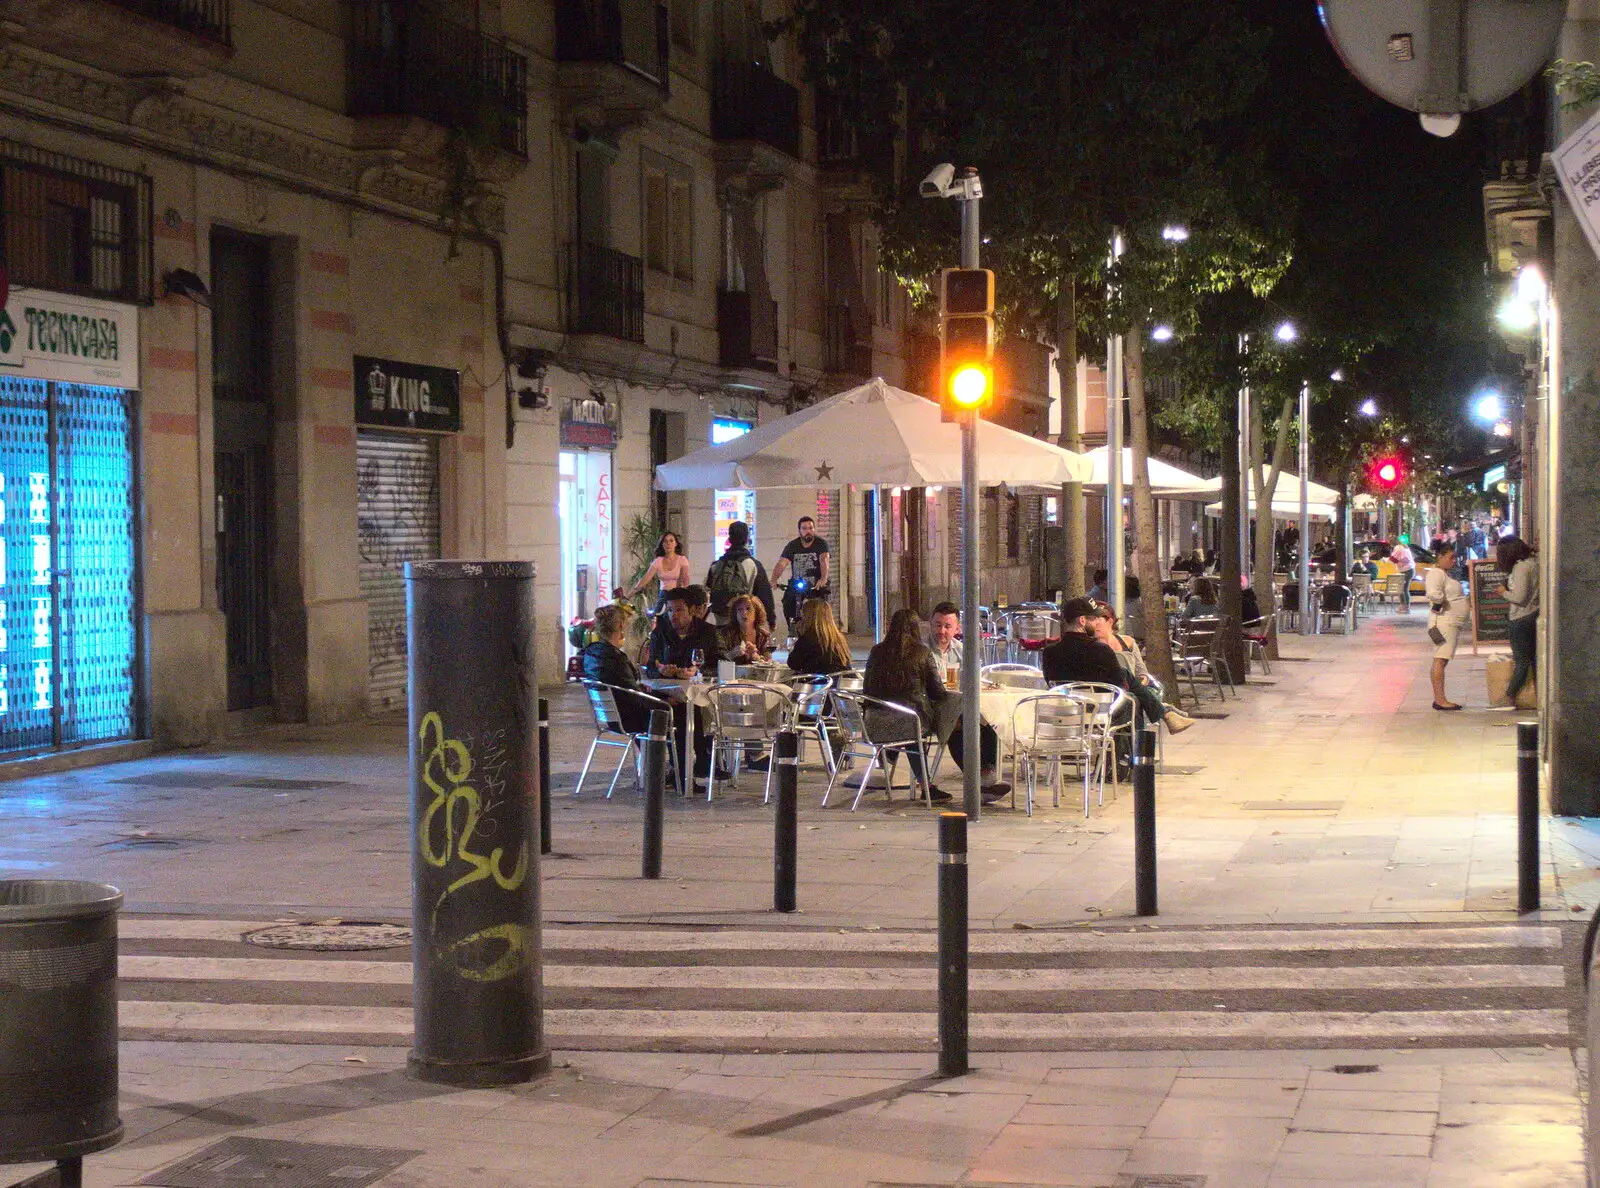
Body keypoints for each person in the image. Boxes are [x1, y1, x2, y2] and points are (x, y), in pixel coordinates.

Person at [862, 609, 1009, 804]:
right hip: (911, 723)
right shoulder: (922, 653)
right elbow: (937, 693)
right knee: (954, 727)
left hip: (875, 722)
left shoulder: (876, 651)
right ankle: (979, 780)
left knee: (948, 725)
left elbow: (867, 687)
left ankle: (970, 781)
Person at [586, 602, 700, 783]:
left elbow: (627, 688)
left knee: (668, 707)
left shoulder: (593, 654)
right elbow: (632, 694)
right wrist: (664, 702)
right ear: (621, 626)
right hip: (629, 717)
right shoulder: (614, 658)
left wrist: (655, 696)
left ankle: (669, 771)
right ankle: (682, 776)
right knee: (680, 713)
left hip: (609, 716)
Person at [1088, 602, 1195, 734]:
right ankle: (1163, 715)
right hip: (1108, 691)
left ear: (1110, 621)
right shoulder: (1091, 646)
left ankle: (1159, 717)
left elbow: (1142, 673)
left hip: (1133, 687)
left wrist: (1139, 683)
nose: (1094, 624)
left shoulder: (1128, 642)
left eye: (1097, 619)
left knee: (1134, 695)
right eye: (1091, 619)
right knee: (1134, 698)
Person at [1423, 544, 1470, 711]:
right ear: (1440, 557)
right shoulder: (1436, 573)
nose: (1453, 560)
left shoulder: (1443, 574)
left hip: (1449, 622)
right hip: (1443, 623)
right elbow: (1433, 593)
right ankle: (1440, 699)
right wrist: (1441, 601)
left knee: (1441, 658)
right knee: (1440, 658)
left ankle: (1440, 698)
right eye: (1450, 557)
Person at [1041, 598, 1127, 688]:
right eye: (1094, 619)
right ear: (1082, 620)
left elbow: (1050, 683)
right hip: (1100, 701)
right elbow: (1121, 686)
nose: (1097, 622)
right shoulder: (1101, 651)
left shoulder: (1049, 652)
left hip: (1063, 700)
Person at [705, 520, 775, 625]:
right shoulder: (754, 565)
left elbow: (709, 593)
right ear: (747, 539)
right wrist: (771, 621)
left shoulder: (716, 565)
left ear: (729, 538)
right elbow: (765, 597)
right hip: (744, 622)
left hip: (721, 623)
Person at [1497, 535, 1538, 708]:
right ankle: (1538, 696)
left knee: (1522, 659)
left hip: (1521, 617)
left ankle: (1509, 696)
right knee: (1534, 659)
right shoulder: (1533, 564)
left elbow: (1519, 597)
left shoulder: (1521, 567)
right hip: (1533, 614)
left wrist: (1503, 592)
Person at [772, 515, 832, 629]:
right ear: (799, 531)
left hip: (816, 585)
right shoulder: (793, 545)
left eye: (810, 528)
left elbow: (824, 559)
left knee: (820, 608)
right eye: (804, 528)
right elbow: (782, 563)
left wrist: (823, 578)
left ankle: (822, 630)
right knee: (788, 602)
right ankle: (793, 630)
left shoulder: (821, 544)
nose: (808, 531)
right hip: (798, 584)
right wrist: (774, 579)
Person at [622, 531, 690, 612]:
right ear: (662, 544)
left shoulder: (682, 559)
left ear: (676, 544)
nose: (668, 543)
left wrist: (684, 597)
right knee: (657, 617)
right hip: (663, 594)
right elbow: (645, 578)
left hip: (678, 595)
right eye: (665, 541)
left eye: (671, 541)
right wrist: (629, 595)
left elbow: (685, 579)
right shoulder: (658, 561)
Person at [785, 597, 853, 675]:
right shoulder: (838, 638)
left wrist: (800, 634)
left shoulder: (808, 638)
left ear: (807, 617)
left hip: (820, 684)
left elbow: (793, 664)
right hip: (844, 683)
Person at [719, 593, 773, 664]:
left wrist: (756, 657)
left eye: (748, 609)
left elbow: (769, 664)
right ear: (735, 614)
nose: (744, 613)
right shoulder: (725, 633)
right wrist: (731, 655)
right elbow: (716, 662)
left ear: (756, 612)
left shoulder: (763, 635)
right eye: (739, 609)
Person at [927, 600, 963, 687]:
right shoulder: (921, 650)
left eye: (947, 626)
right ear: (931, 625)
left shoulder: (961, 650)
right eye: (938, 625)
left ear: (957, 629)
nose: (942, 631)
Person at [1388, 539, 1416, 613]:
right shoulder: (1404, 546)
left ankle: (1404, 607)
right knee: (1404, 589)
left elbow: (1393, 559)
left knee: (1403, 589)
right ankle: (1405, 607)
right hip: (1410, 569)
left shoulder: (1398, 547)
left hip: (1406, 570)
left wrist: (1386, 559)